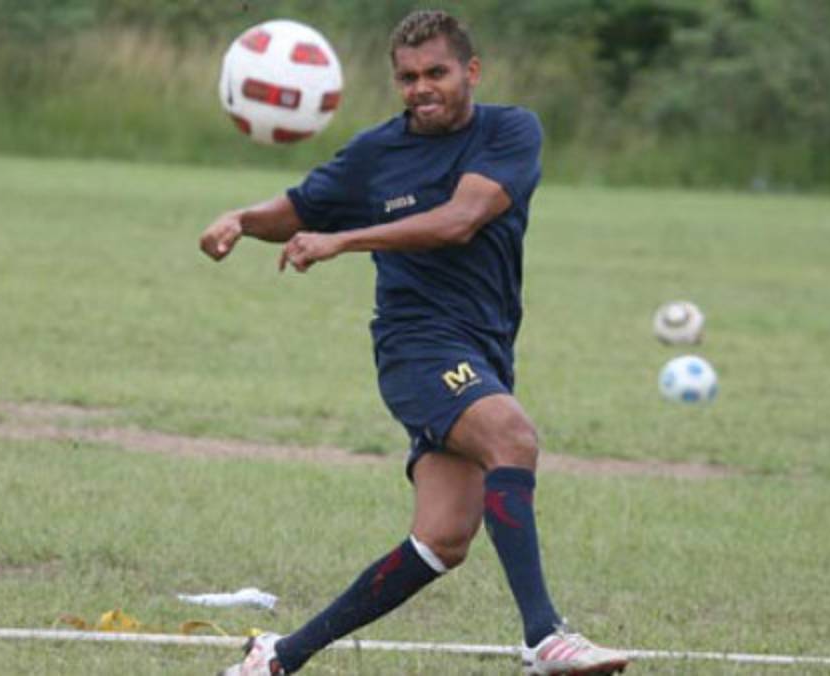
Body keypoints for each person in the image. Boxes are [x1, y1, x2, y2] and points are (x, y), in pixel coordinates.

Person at [201, 10, 629, 676]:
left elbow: (461, 219)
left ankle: (278, 656)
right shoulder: (377, 153)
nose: (422, 87)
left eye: (437, 72)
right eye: (408, 77)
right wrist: (239, 219)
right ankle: (545, 636)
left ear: (471, 72)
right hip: (416, 348)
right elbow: (298, 208)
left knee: (442, 541)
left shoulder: (510, 130)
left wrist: (344, 239)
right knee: (511, 438)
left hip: (483, 349)